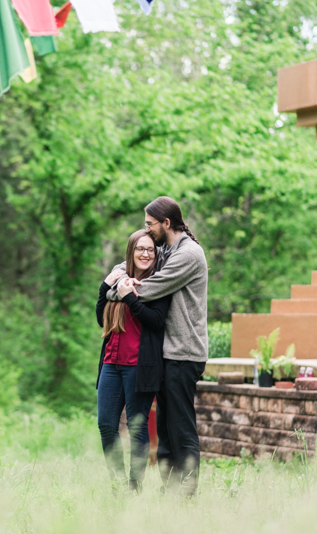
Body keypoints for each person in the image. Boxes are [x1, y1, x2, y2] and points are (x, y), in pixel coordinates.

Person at [106, 196, 208, 497]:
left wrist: (116, 292)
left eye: (150, 225)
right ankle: (169, 491)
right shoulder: (167, 249)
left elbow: (151, 287)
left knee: (181, 428)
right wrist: (120, 276)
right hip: (167, 353)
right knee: (164, 428)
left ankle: (186, 494)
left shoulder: (189, 254)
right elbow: (134, 262)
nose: (147, 231)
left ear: (166, 223)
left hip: (184, 353)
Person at [96, 229, 172, 494]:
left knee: (137, 429)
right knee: (106, 425)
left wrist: (130, 298)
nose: (145, 254)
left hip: (139, 366)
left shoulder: (159, 283)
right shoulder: (119, 280)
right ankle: (117, 483)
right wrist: (105, 287)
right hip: (111, 363)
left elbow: (156, 321)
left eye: (150, 249)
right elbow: (101, 318)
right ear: (131, 251)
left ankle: (134, 487)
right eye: (140, 248)